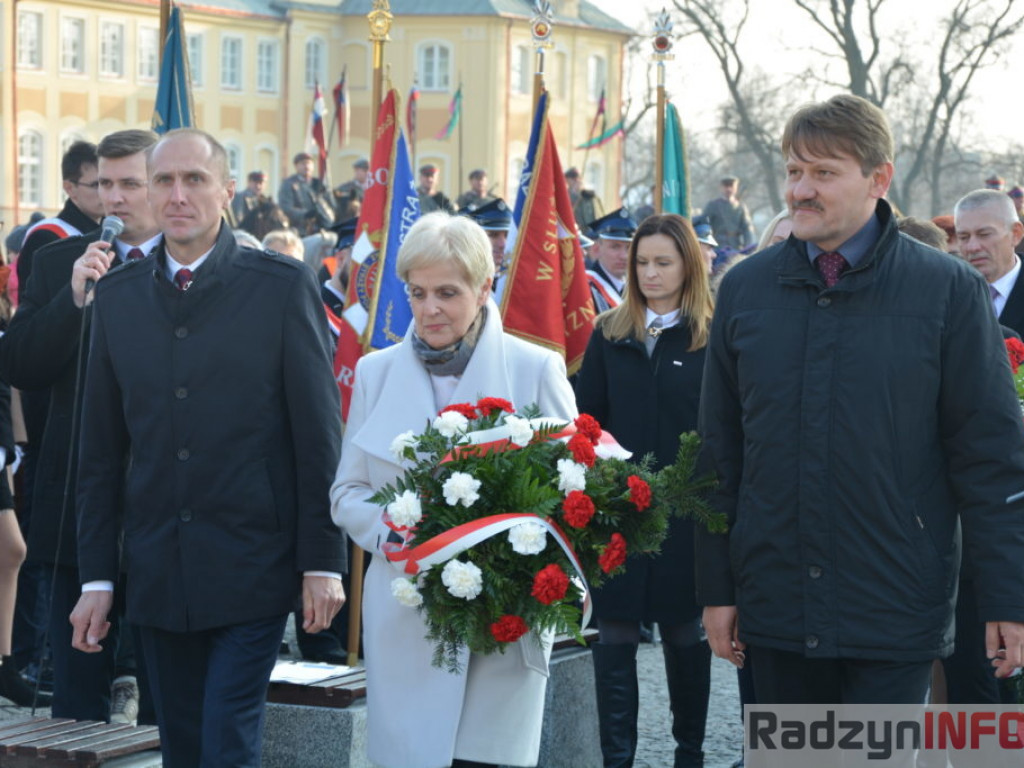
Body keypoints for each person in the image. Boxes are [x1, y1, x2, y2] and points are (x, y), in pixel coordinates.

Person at [697, 93, 1024, 705]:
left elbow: (991, 457)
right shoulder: (744, 289)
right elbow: (720, 452)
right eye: (795, 171)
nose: (800, 190)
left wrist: (1008, 598)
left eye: (824, 172)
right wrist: (717, 588)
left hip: (895, 608)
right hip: (776, 608)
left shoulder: (948, 291)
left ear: (879, 178)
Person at [69, 128, 345, 767]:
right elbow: (101, 453)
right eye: (163, 180)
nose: (178, 195)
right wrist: (98, 577)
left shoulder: (280, 288)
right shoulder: (116, 298)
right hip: (158, 571)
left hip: (253, 566)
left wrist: (322, 561)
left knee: (227, 744)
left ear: (225, 190)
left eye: (194, 179)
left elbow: (316, 434)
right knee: (184, 751)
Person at [331, 211, 576, 768]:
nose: (429, 309)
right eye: (416, 293)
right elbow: (347, 491)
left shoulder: (536, 368)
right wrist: (400, 532)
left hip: (503, 623)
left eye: (447, 292)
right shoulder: (375, 373)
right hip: (407, 614)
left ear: (485, 286)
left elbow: (569, 492)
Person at [0, 129, 162, 721]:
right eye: (104, 184)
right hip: (78, 502)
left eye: (129, 184)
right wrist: (72, 303)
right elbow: (21, 364)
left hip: (165, 509)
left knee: (164, 694)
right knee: (77, 695)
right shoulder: (56, 262)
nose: (113, 198)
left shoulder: (187, 266)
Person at [574, 213, 714, 768]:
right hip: (618, 511)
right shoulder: (609, 332)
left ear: (688, 265)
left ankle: (690, 754)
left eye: (663, 262)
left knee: (685, 633)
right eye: (641, 262)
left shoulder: (711, 333)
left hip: (687, 513)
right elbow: (588, 423)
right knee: (614, 635)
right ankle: (617, 758)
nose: (650, 273)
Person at [17, 141, 104, 287]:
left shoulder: (114, 231)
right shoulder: (45, 237)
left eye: (107, 183)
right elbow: (35, 305)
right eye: (96, 185)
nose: (106, 192)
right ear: (69, 188)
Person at [954, 189, 1024, 337]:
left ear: (1016, 233)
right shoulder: (948, 292)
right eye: (964, 237)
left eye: (984, 235)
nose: (972, 247)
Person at [586, 209, 637, 314]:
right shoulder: (586, 288)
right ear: (597, 249)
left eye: (629, 248)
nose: (624, 256)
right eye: (615, 247)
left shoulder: (638, 287)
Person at [457, 198, 511, 295]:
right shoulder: (458, 279)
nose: (503, 244)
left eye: (507, 235)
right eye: (493, 235)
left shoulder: (515, 282)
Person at [278, 151, 335, 235]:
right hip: (300, 229)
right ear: (296, 166)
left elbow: (331, 205)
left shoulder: (318, 184)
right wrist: (305, 214)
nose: (306, 166)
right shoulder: (289, 184)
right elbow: (286, 207)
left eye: (309, 163)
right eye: (303, 163)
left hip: (323, 227)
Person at [702, 176, 754, 251]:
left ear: (736, 188)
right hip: (717, 247)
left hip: (735, 246)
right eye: (726, 186)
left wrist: (748, 246)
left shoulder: (740, 207)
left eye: (731, 186)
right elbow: (705, 225)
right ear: (721, 187)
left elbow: (747, 228)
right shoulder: (712, 205)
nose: (729, 189)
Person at [566, 166, 604, 233]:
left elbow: (598, 213)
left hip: (591, 231)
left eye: (577, 179)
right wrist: (575, 193)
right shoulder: (567, 194)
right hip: (576, 231)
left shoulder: (589, 195)